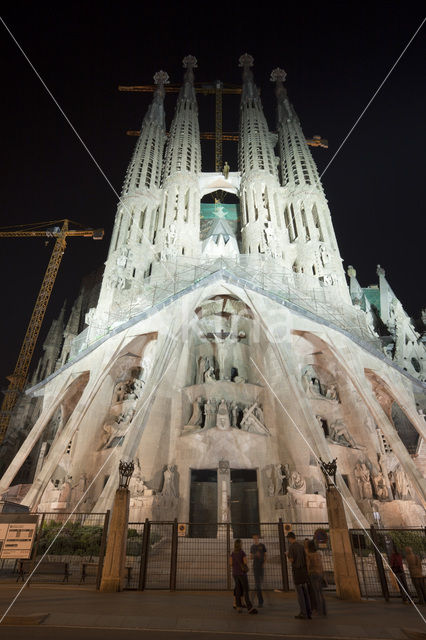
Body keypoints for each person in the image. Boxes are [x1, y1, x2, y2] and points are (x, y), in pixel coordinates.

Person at [287, 532, 312, 619]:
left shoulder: (291, 547)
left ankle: (303, 613)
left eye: (288, 539)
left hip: (297, 572)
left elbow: (291, 560)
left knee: (300, 594)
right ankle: (309, 612)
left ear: (290, 538)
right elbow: (306, 558)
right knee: (306, 593)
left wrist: (287, 555)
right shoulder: (301, 546)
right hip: (304, 572)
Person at [230, 539, 257, 614]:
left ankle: (239, 606)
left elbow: (230, 563)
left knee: (238, 590)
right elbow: (245, 562)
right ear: (240, 545)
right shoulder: (242, 553)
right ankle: (249, 608)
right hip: (242, 574)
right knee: (246, 590)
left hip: (235, 574)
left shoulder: (233, 553)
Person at [306, 540, 327, 616]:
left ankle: (318, 609)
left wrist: (307, 574)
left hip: (313, 574)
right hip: (320, 573)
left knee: (315, 593)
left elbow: (308, 566)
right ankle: (324, 609)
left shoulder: (309, 555)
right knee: (320, 592)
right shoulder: (318, 554)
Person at [250, 534, 267, 607]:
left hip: (261, 567)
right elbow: (250, 557)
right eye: (254, 538)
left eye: (256, 538)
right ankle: (260, 601)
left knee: (259, 584)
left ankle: (252, 598)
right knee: (258, 584)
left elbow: (265, 555)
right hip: (255, 567)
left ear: (258, 538)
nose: (255, 539)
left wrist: (264, 563)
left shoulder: (262, 545)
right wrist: (255, 555)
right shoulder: (252, 547)